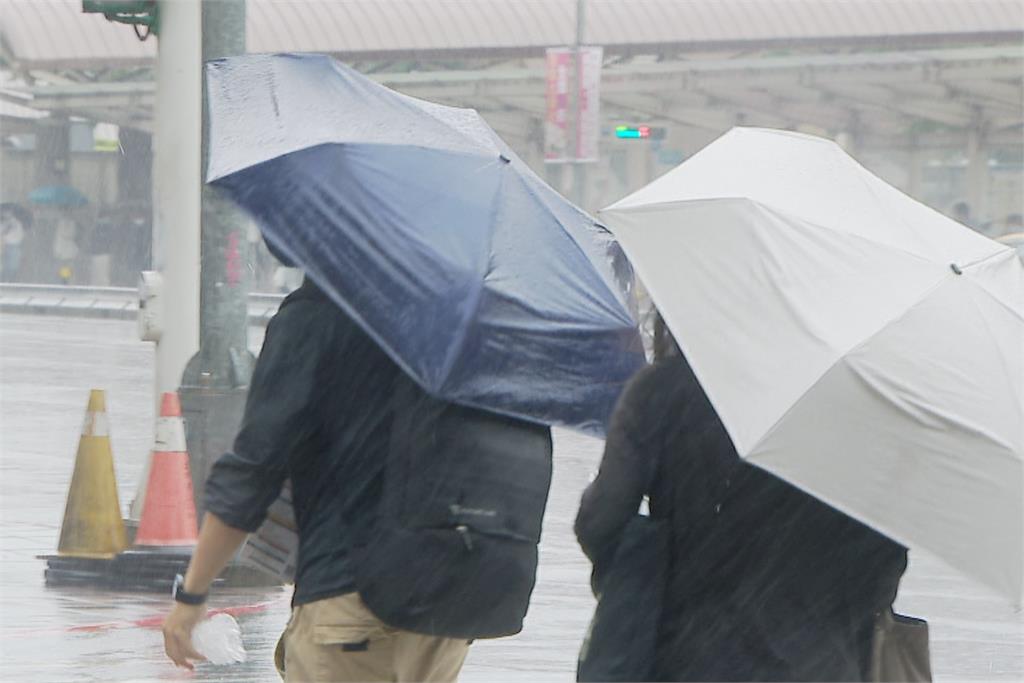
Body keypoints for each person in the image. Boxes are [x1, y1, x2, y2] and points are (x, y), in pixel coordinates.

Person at [162, 275, 552, 682]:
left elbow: (255, 467)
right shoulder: (461, 315)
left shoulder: (318, 312)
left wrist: (193, 593)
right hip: (444, 602)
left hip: (351, 600)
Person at [575, 314, 908, 682]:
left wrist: (656, 562)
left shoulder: (665, 391)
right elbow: (884, 570)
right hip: (823, 665)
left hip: (689, 660)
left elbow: (601, 523)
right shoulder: (863, 409)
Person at [0, 203, 29, 281]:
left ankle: (8, 280)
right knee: (10, 266)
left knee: (11, 267)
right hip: (10, 245)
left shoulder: (16, 223)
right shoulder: (12, 222)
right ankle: (7, 279)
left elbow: (19, 235)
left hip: (12, 245)